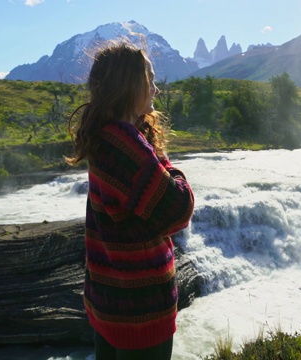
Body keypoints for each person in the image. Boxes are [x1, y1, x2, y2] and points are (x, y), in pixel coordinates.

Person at [66, 41, 194, 360]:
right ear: (131, 84)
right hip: (140, 311)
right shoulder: (126, 146)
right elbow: (179, 210)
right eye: (149, 79)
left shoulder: (105, 136)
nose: (155, 88)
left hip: (109, 302)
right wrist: (167, 163)